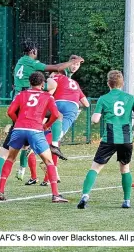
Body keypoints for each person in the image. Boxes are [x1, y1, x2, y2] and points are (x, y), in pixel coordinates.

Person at [0, 40, 84, 192]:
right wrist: (72, 61)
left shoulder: (20, 63)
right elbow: (56, 68)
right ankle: (54, 146)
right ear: (33, 51)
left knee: (9, 149)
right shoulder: (31, 63)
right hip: (28, 105)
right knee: (57, 118)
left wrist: (16, 121)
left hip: (19, 103)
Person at [77, 70, 134, 209]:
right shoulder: (130, 98)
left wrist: (95, 117)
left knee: (95, 168)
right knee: (125, 168)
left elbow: (95, 119)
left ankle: (85, 195)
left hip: (110, 138)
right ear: (123, 83)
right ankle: (126, 201)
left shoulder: (103, 98)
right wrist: (133, 128)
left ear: (108, 83)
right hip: (125, 138)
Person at [0, 72, 68, 203]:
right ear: (43, 84)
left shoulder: (21, 94)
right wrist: (46, 126)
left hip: (18, 129)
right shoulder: (47, 96)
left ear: (30, 83)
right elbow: (56, 115)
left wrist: (17, 121)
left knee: (11, 158)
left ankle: (0, 191)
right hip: (35, 130)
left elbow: (10, 112)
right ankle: (55, 195)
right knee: (48, 161)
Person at [26, 58, 90, 186]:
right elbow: (86, 104)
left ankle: (43, 167)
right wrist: (74, 102)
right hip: (70, 109)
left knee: (46, 133)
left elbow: (47, 88)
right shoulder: (74, 83)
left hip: (54, 106)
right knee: (55, 139)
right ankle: (50, 171)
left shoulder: (58, 78)